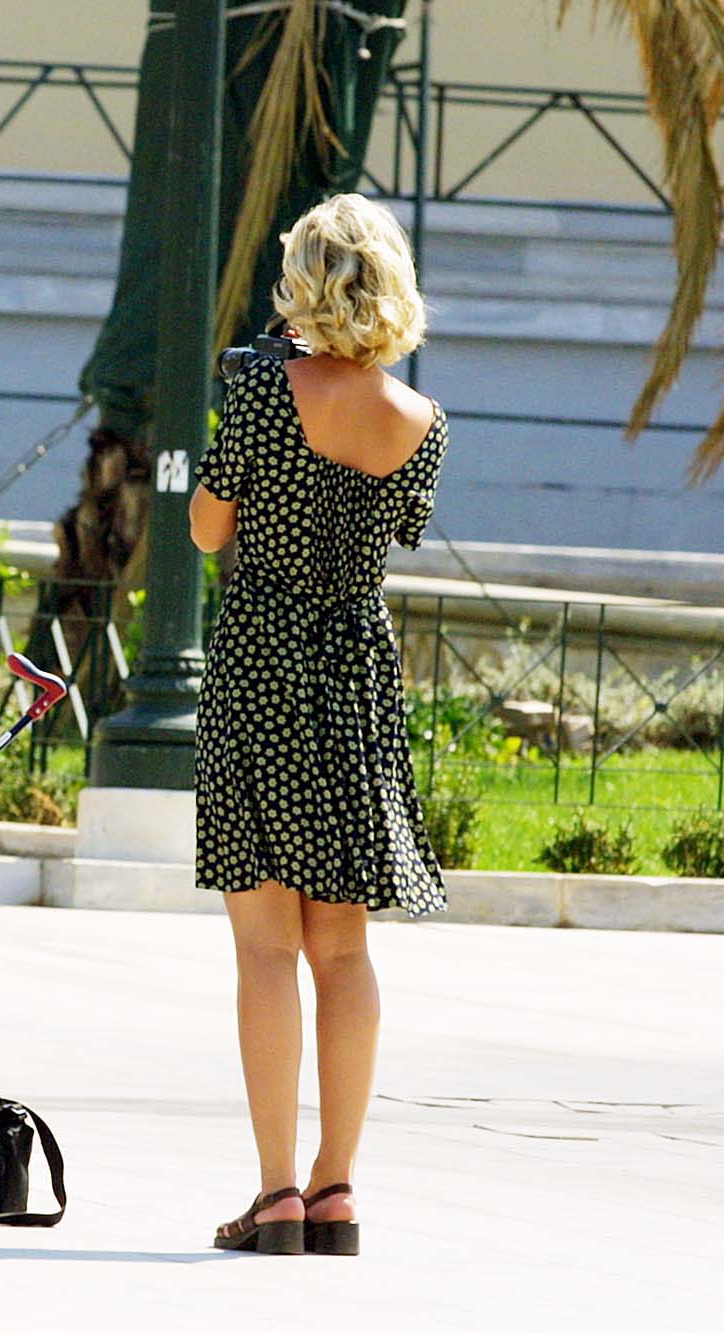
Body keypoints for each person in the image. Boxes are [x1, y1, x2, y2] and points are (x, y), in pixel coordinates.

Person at [189, 192, 448, 1256]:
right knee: (341, 946)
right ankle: (337, 1189)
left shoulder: (258, 397)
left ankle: (275, 1194)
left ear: (303, 283)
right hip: (354, 674)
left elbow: (210, 530)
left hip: (258, 665)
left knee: (263, 944)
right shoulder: (422, 424)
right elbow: (397, 535)